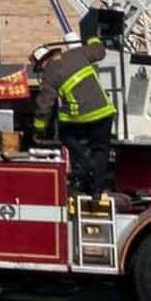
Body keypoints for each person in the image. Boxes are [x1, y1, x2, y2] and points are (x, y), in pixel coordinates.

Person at [30, 34, 117, 199]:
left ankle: (83, 171)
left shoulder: (50, 72)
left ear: (43, 63)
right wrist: (92, 38)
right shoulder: (78, 53)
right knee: (101, 150)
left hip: (81, 118)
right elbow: (100, 51)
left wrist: (39, 128)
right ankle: (97, 189)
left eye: (40, 68)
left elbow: (44, 105)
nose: (41, 71)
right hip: (104, 112)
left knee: (66, 137)